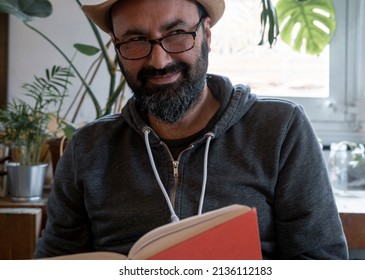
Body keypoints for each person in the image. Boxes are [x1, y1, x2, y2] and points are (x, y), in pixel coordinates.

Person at [34, 0, 348, 260]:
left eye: (177, 34)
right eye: (135, 40)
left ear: (206, 35)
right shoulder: (88, 147)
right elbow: (52, 264)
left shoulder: (280, 129)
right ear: (117, 48)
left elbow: (322, 262)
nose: (158, 60)